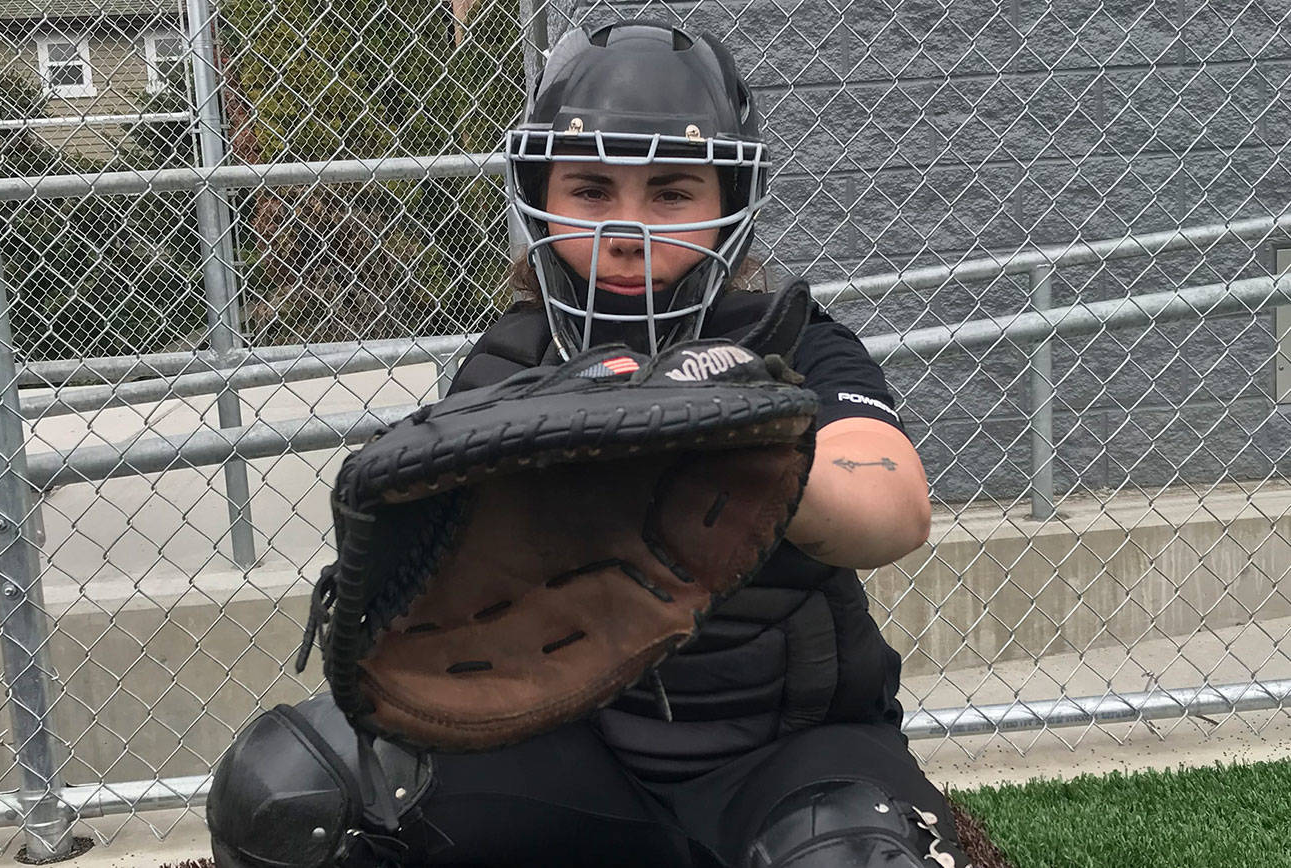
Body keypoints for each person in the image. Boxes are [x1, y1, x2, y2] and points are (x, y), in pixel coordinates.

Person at [207, 19, 970, 868]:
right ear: (541, 194)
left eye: (672, 194)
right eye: (592, 190)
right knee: (286, 788)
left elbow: (894, 509)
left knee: (845, 857)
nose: (629, 228)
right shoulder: (508, 369)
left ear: (729, 207)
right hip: (577, 748)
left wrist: (746, 445)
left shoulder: (793, 340)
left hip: (786, 757)